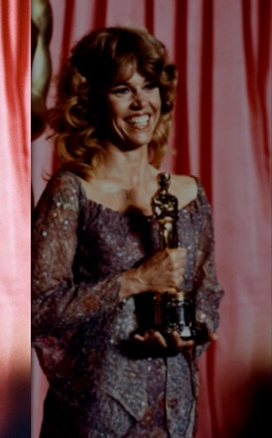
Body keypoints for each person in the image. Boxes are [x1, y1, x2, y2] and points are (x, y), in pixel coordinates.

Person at [32, 26, 223, 437]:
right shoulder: (72, 190)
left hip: (174, 408)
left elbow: (207, 292)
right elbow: (39, 309)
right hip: (95, 412)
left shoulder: (189, 193)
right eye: (122, 89)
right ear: (91, 99)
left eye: (149, 86)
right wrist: (136, 280)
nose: (141, 102)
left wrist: (191, 330)